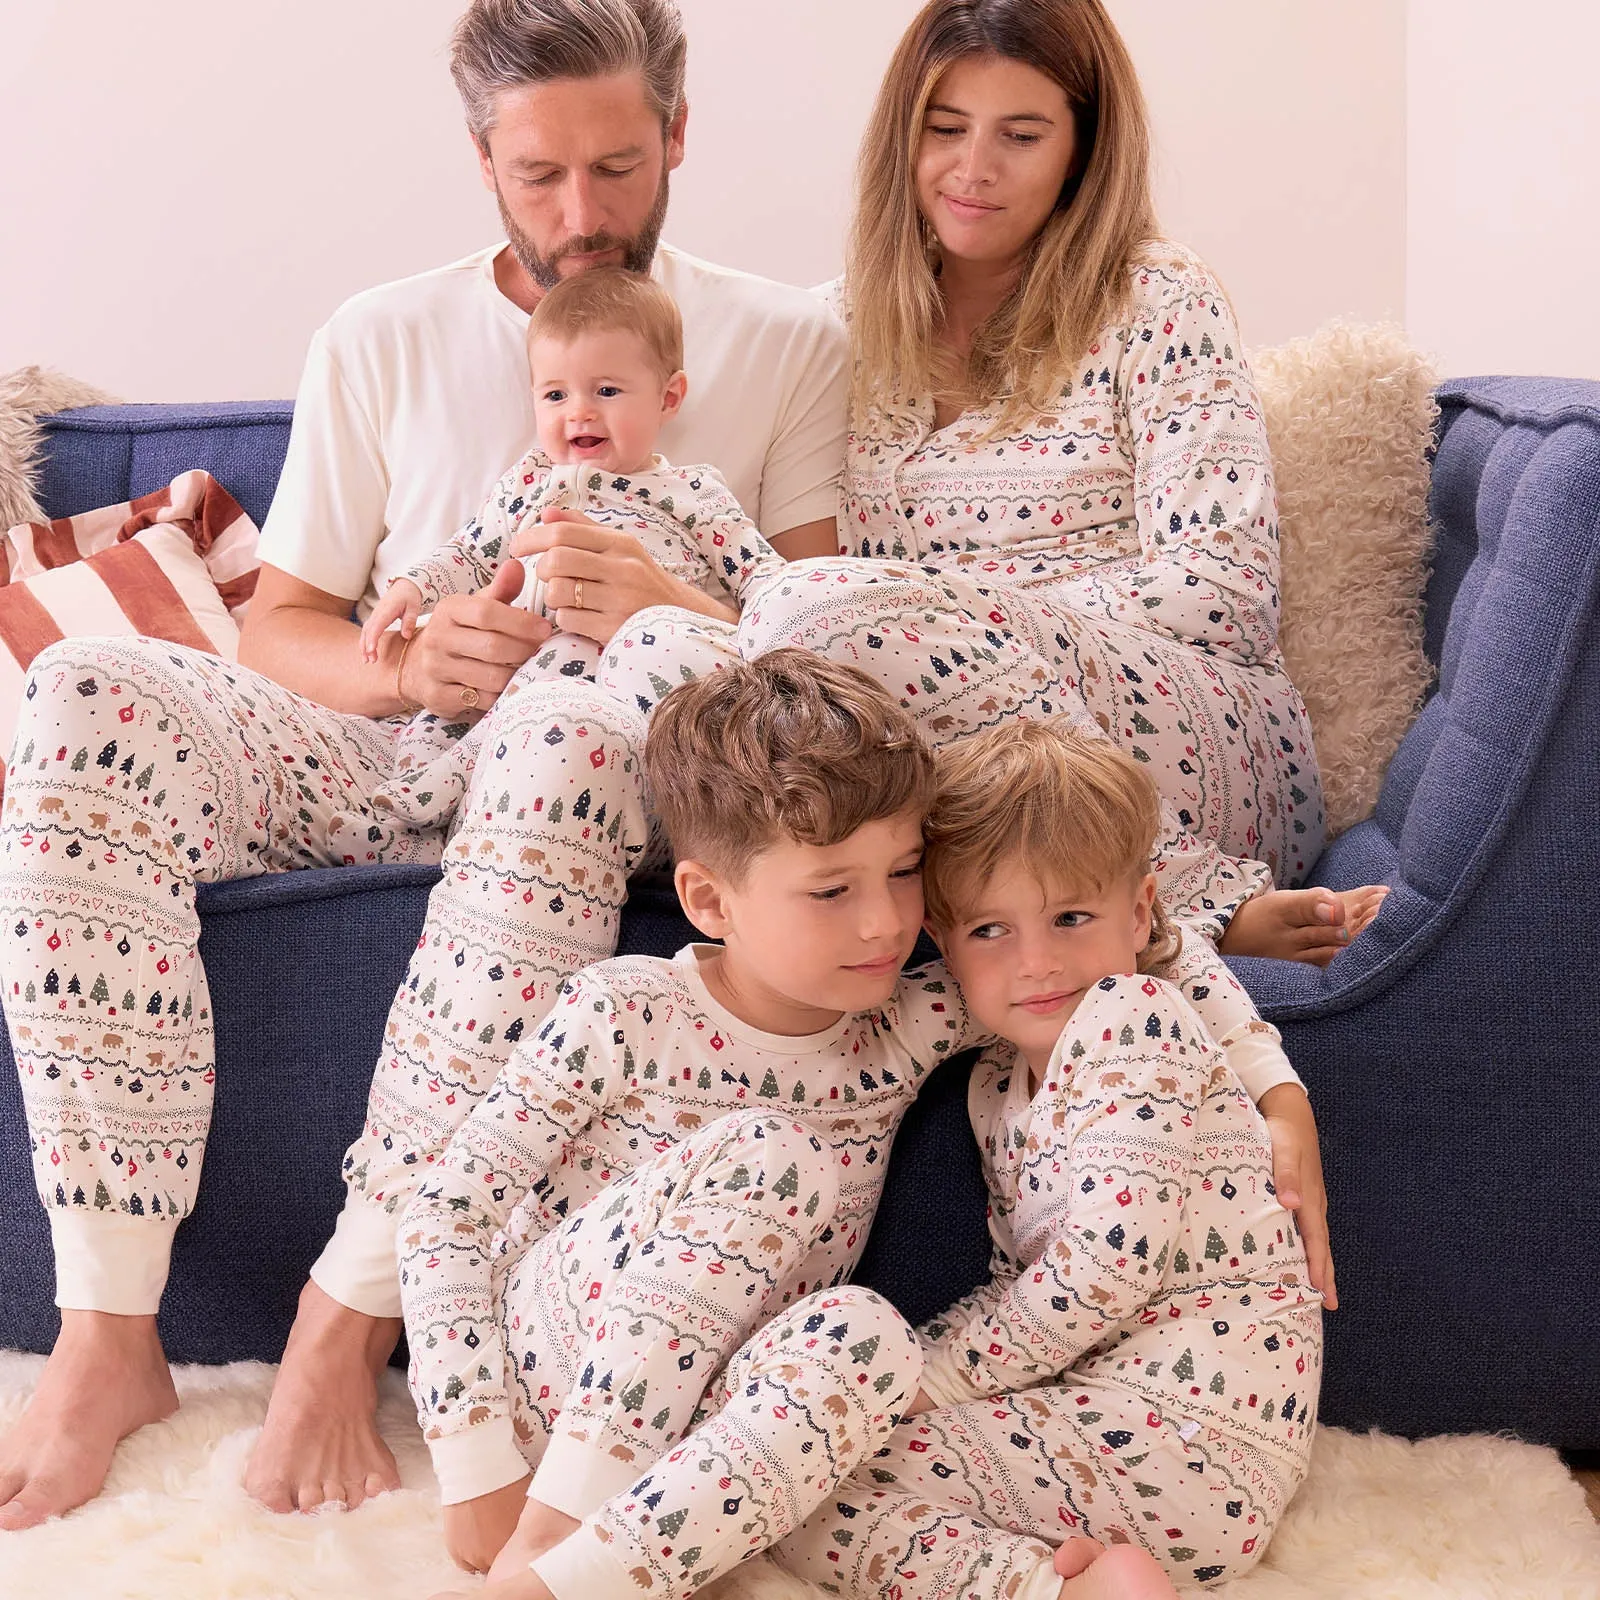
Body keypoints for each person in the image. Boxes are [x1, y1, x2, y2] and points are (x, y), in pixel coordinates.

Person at [0, 0, 849, 1531]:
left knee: (565, 738)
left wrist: (665, 607)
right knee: (83, 694)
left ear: (677, 136)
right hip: (394, 744)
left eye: (617, 167)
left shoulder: (787, 342)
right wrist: (406, 661)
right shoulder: (380, 335)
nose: (582, 218)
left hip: (618, 752)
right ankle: (106, 1331)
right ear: (480, 160)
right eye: (539, 178)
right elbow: (287, 632)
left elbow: (820, 659)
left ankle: (350, 1313)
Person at [404, 653, 1311, 1599]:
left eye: (906, 874)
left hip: (728, 1422)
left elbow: (1128, 953)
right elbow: (444, 1211)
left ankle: (1038, 1590)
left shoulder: (913, 1017)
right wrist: (475, 1462)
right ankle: (549, 1548)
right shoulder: (623, 1013)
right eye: (832, 890)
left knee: (864, 1346)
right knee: (770, 1159)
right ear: (710, 901)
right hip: (561, 1373)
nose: (885, 924)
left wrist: (1274, 1089)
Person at [771, 718, 1321, 1599]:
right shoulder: (1000, 1085)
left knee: (800, 1481)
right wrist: (909, 1366)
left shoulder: (1134, 1019)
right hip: (1109, 1422)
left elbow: (1107, 1265)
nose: (1038, 962)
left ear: (1139, 914)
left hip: (1194, 1445)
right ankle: (1058, 1576)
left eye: (1071, 917)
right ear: (943, 948)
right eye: (990, 930)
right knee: (810, 1456)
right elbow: (1019, 1279)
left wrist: (933, 1382)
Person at [359, 267, 784, 684]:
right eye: (556, 395)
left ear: (668, 398)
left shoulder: (694, 494)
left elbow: (765, 582)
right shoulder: (526, 484)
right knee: (428, 734)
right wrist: (414, 586)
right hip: (516, 685)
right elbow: (471, 554)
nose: (578, 412)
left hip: (642, 687)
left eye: (606, 391)